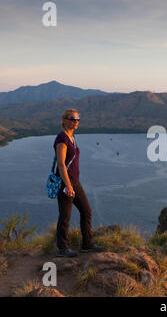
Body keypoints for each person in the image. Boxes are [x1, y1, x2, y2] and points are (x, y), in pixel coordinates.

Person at [54, 109, 103, 257]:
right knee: (65, 216)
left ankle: (87, 244)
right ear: (64, 121)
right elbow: (61, 164)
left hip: (75, 181)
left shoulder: (72, 137)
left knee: (86, 211)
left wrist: (73, 183)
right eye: (72, 119)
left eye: (77, 119)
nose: (76, 121)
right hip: (65, 183)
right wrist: (68, 185)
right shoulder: (62, 138)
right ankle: (62, 248)